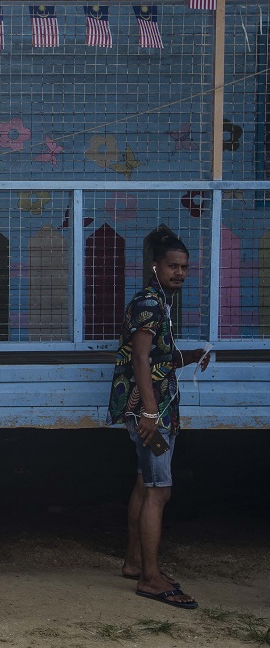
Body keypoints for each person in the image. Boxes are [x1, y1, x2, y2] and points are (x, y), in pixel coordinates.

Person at [108, 229, 211, 610]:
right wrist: (150, 411)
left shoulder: (160, 303)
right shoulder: (149, 304)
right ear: (155, 266)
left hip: (154, 409)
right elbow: (139, 361)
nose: (180, 272)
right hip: (150, 413)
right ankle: (150, 579)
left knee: (144, 483)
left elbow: (156, 359)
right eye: (173, 266)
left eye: (184, 267)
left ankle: (135, 563)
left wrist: (192, 354)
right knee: (158, 490)